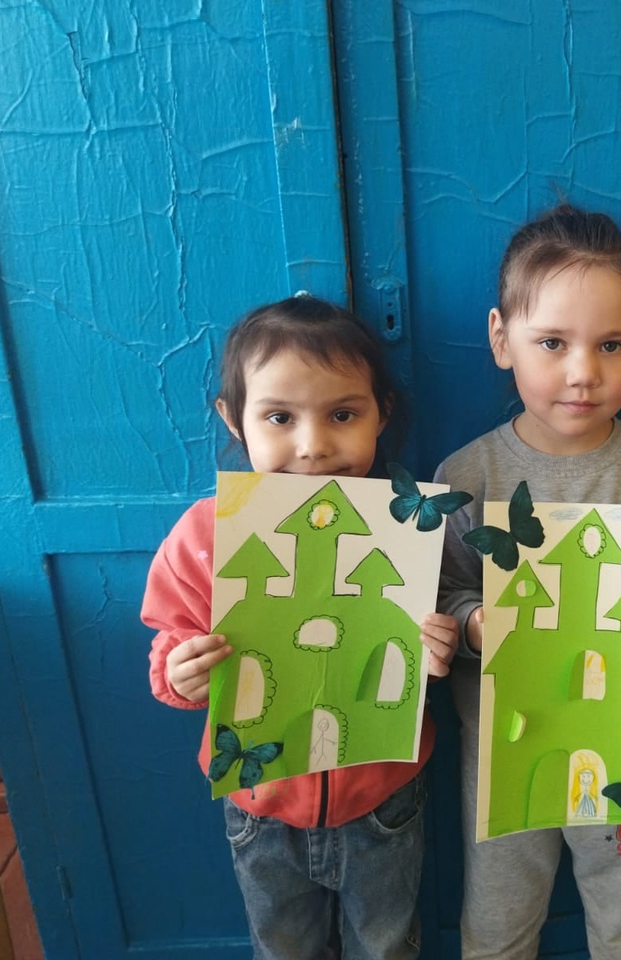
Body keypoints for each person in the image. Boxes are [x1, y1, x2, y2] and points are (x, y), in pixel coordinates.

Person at [436, 204, 621, 960]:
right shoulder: (468, 476)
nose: (584, 371)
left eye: (612, 345)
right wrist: (474, 624)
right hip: (505, 750)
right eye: (553, 343)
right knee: (498, 922)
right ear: (502, 339)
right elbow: (444, 593)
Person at [142, 294, 458, 959]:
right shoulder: (206, 534)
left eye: (343, 414)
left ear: (381, 414)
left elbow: (423, 644)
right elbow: (172, 636)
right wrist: (179, 671)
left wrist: (437, 649)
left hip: (383, 797)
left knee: (386, 945)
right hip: (261, 800)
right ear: (233, 419)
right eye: (279, 417)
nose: (312, 447)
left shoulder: (407, 529)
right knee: (283, 947)